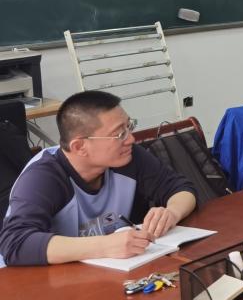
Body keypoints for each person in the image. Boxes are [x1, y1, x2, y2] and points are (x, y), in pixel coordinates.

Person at [0, 91, 197, 267]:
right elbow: (15, 243)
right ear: (79, 147)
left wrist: (172, 212)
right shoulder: (43, 177)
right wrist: (105, 246)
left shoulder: (128, 157)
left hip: (106, 270)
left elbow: (181, 188)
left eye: (129, 126)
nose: (130, 139)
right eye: (119, 134)